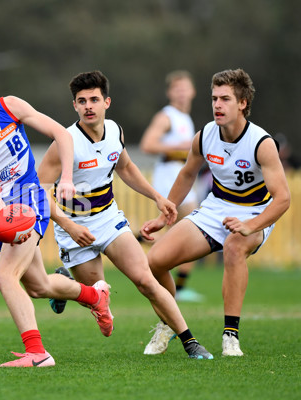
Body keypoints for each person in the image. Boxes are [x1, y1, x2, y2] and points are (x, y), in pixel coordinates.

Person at [0, 63, 113, 368]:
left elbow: (61, 134)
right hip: (6, 213)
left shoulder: (7, 106)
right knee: (39, 286)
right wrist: (9, 220)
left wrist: (66, 178)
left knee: (4, 277)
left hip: (32, 197)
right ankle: (94, 297)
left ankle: (38, 354)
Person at [38, 70, 213, 360]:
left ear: (107, 102)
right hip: (74, 225)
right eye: (81, 101)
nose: (88, 106)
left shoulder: (115, 131)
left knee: (146, 280)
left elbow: (127, 168)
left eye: (94, 99)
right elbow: (38, 192)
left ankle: (190, 341)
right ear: (75, 107)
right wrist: (68, 226)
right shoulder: (64, 143)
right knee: (95, 296)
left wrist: (158, 197)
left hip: (108, 219)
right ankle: (63, 288)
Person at [140, 68, 290, 357]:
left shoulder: (262, 142)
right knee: (155, 260)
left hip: (254, 211)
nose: (217, 105)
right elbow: (186, 174)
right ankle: (168, 322)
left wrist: (251, 226)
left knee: (234, 247)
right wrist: (164, 215)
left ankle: (230, 337)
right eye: (214, 98)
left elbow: (283, 199)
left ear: (243, 103)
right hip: (214, 209)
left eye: (225, 99)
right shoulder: (205, 135)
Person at [139, 70, 203, 303]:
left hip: (181, 176)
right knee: (194, 227)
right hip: (169, 176)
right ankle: (174, 284)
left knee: (184, 230)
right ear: (169, 93)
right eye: (176, 88)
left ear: (193, 91)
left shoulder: (185, 118)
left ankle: (138, 239)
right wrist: (180, 147)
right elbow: (148, 144)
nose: (181, 92)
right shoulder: (166, 116)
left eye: (185, 87)